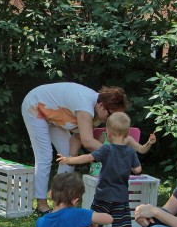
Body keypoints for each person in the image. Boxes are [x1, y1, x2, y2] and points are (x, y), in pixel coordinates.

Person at [21, 82, 129, 215]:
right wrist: (117, 153)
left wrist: (73, 156)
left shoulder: (97, 114)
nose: (112, 119)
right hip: (35, 106)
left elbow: (77, 138)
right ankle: (41, 205)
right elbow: (88, 141)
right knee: (45, 156)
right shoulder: (85, 106)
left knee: (68, 156)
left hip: (53, 115)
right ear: (101, 105)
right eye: (111, 114)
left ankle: (59, 201)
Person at [57, 112, 142, 227]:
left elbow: (88, 157)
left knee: (95, 221)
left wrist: (69, 159)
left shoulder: (106, 149)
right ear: (127, 134)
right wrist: (132, 168)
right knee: (117, 225)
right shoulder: (130, 151)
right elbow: (138, 170)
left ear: (108, 133)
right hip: (121, 197)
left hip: (103, 194)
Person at [69, 127, 157, 176]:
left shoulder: (128, 139)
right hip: (99, 171)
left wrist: (149, 142)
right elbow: (93, 153)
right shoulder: (104, 137)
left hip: (118, 172)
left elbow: (141, 149)